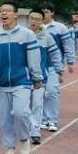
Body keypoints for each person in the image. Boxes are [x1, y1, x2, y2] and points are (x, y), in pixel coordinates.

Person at [0, 1, 43, 154]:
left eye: (7, 11)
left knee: (20, 112)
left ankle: (24, 139)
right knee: (5, 118)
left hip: (22, 81)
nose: (3, 13)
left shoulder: (26, 34)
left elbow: (34, 58)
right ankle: (9, 147)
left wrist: (36, 77)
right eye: (1, 11)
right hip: (2, 83)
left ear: (16, 14)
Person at [27, 9, 63, 145]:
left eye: (37, 19)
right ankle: (24, 129)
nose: (34, 21)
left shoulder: (47, 38)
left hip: (40, 78)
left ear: (42, 21)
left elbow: (55, 55)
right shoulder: (22, 35)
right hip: (22, 78)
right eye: (32, 18)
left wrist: (59, 70)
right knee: (23, 107)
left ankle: (35, 133)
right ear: (28, 19)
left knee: (37, 105)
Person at [39, 2, 75, 132]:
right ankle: (42, 119)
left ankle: (52, 120)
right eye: (42, 11)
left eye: (46, 11)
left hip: (54, 65)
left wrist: (70, 61)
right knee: (40, 93)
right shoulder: (36, 28)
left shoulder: (60, 28)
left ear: (52, 12)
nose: (44, 14)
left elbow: (68, 45)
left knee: (52, 92)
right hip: (38, 66)